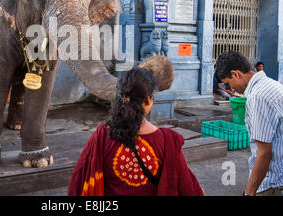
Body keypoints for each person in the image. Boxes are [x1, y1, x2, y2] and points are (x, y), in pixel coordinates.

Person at [68, 62, 203, 196]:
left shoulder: (102, 136)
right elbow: (189, 189)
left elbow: (78, 182)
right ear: (148, 100)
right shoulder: (167, 141)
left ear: (120, 98)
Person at [215, 51, 283, 196]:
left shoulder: (258, 96)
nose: (231, 89)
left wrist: (249, 192)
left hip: (274, 182)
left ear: (236, 74)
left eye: (228, 83)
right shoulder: (272, 85)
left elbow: (264, 153)